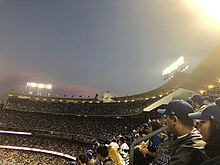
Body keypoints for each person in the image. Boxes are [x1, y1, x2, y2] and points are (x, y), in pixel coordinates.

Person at [152, 99, 208, 165]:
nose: (165, 120)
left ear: (175, 120)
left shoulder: (193, 148)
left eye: (166, 117)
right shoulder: (175, 136)